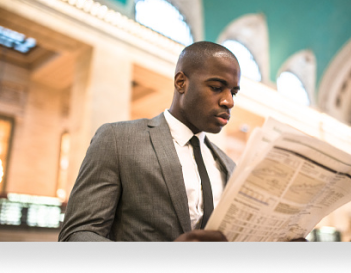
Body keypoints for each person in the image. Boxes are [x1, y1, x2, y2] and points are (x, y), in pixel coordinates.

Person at [59, 41, 240, 242]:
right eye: (216, 87)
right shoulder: (118, 140)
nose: (229, 101)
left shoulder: (230, 166)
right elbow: (77, 235)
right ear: (181, 82)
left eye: (233, 92)